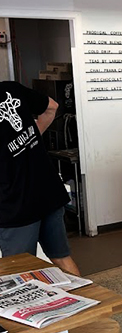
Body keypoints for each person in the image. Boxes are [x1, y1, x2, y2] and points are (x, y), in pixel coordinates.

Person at [0, 80, 80, 275]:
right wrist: (32, 138)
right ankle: (92, 303)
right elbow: (52, 107)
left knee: (20, 271)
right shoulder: (11, 89)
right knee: (61, 257)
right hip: (48, 192)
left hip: (15, 205)